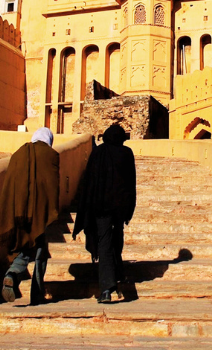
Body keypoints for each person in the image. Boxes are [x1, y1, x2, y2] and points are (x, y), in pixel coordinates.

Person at [0, 127, 59, 305]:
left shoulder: (19, 153)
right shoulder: (50, 155)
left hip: (17, 210)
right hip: (39, 211)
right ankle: (35, 291)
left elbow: (11, 181)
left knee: (23, 245)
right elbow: (53, 184)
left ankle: (12, 274)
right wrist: (52, 210)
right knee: (40, 251)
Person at [72, 124, 136, 303]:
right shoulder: (126, 153)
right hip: (119, 207)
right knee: (117, 239)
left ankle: (107, 288)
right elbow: (131, 183)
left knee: (105, 243)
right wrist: (129, 208)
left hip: (101, 208)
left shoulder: (98, 153)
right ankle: (118, 274)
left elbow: (89, 182)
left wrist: (87, 206)